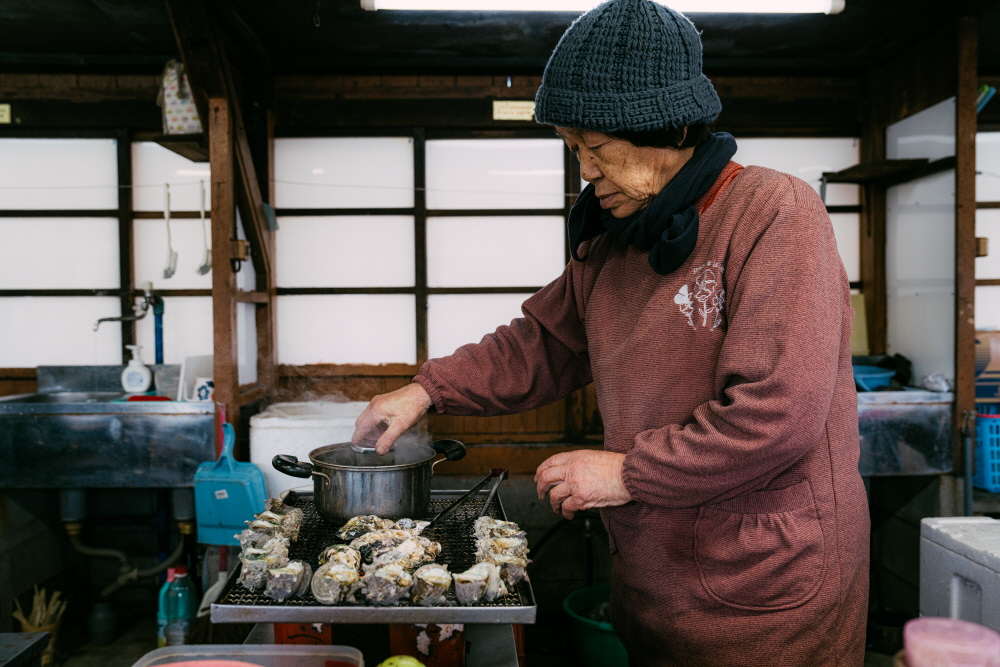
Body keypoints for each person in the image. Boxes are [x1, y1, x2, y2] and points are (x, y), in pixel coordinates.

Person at [352, 0, 869, 664]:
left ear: (666, 127)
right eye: (573, 149)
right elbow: (541, 344)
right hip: (657, 583)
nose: (585, 172)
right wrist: (425, 390)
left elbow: (780, 413)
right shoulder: (614, 242)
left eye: (595, 148)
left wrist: (629, 471)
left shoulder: (775, 213)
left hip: (769, 595)